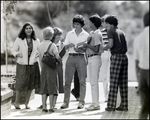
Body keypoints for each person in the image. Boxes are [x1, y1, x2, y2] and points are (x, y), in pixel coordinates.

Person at [60, 14, 89, 109]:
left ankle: (81, 102)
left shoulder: (86, 35)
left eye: (77, 24)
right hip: (71, 57)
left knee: (82, 81)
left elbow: (87, 49)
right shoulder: (69, 34)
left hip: (81, 58)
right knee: (67, 81)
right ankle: (65, 102)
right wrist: (69, 45)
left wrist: (82, 49)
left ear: (81, 24)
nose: (75, 26)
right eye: (74, 24)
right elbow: (65, 46)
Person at [12, 22, 40, 109]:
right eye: (27, 28)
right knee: (20, 84)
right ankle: (16, 103)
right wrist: (17, 54)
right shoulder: (19, 39)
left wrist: (37, 55)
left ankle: (27, 103)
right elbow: (13, 50)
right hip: (22, 64)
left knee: (30, 85)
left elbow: (38, 51)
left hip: (32, 64)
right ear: (24, 30)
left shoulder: (36, 40)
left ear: (32, 30)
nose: (28, 30)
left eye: (30, 28)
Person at [103, 15, 128, 111]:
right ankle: (124, 105)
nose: (106, 25)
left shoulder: (110, 31)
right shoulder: (122, 32)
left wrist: (103, 47)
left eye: (106, 23)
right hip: (124, 57)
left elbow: (110, 44)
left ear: (110, 24)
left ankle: (111, 106)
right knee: (123, 82)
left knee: (113, 82)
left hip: (116, 57)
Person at [81, 13, 103, 111]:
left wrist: (87, 45)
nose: (89, 24)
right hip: (90, 58)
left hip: (95, 58)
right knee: (92, 82)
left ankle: (96, 104)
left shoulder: (97, 33)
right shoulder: (93, 33)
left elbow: (96, 49)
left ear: (93, 23)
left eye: (90, 22)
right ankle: (94, 103)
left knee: (94, 82)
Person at [37, 26, 61, 112]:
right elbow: (57, 56)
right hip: (51, 69)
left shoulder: (39, 45)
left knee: (44, 87)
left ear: (43, 35)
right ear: (51, 36)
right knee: (51, 87)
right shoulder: (53, 45)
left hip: (43, 68)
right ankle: (51, 107)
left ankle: (44, 106)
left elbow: (39, 57)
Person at [133, 11, 149, 119]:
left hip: (143, 73)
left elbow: (136, 64)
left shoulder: (138, 38)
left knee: (144, 108)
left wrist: (139, 83)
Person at [99, 14, 111, 102]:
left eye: (106, 22)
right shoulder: (101, 32)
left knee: (112, 75)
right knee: (104, 75)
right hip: (104, 54)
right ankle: (106, 96)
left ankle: (112, 94)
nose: (104, 24)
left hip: (113, 54)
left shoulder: (114, 31)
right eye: (103, 22)